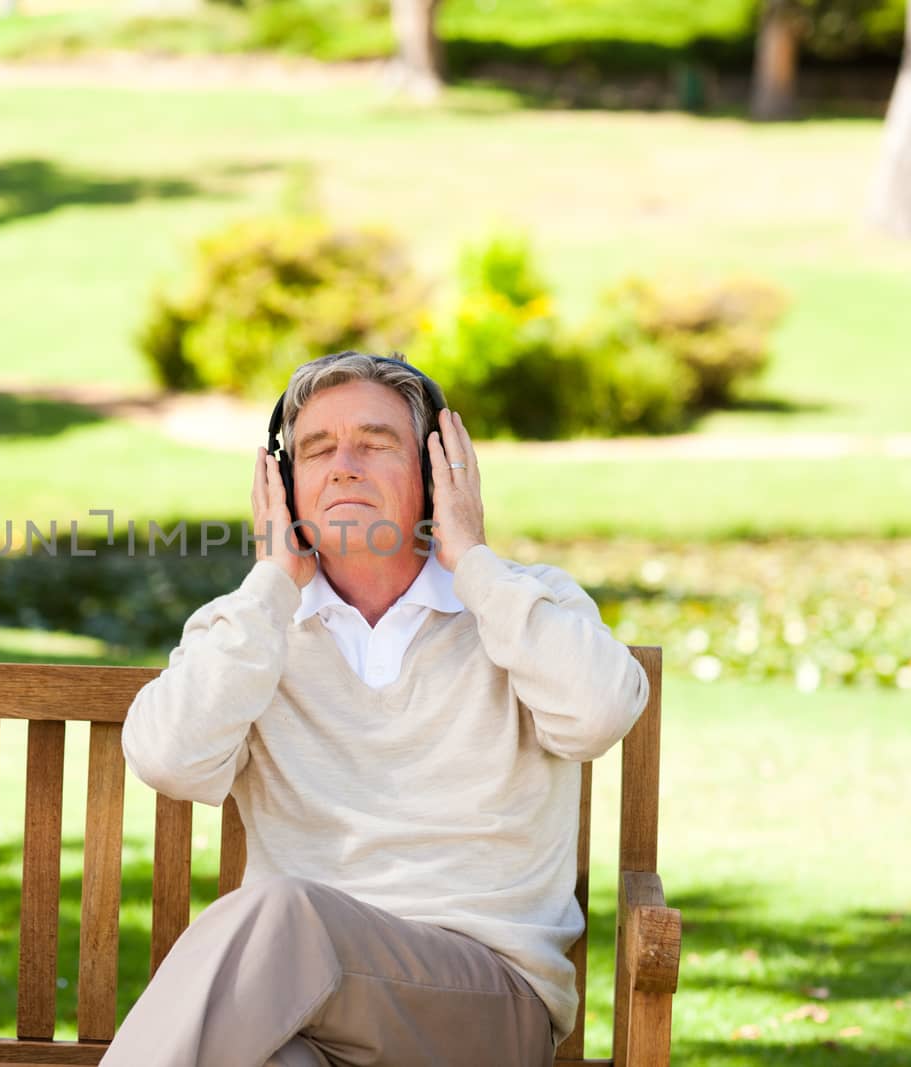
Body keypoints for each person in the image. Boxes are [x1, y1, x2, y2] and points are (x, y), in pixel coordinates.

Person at [103, 352, 649, 1067]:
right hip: (307, 1014)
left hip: (485, 1007)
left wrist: (473, 560)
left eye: (375, 442)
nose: (343, 465)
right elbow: (167, 758)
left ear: (436, 471)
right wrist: (271, 585)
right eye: (317, 449)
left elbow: (601, 710)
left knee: (287, 915)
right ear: (283, 483)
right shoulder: (253, 628)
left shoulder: (520, 604)